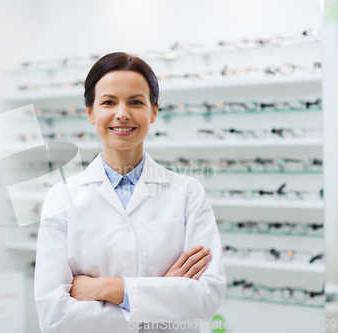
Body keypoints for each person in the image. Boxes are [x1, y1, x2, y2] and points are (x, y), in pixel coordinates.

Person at [34, 52, 226, 333]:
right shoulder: (61, 197)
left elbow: (206, 298)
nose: (122, 113)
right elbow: (54, 316)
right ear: (90, 112)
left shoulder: (187, 193)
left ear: (154, 111)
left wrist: (110, 289)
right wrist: (161, 295)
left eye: (136, 102)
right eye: (109, 102)